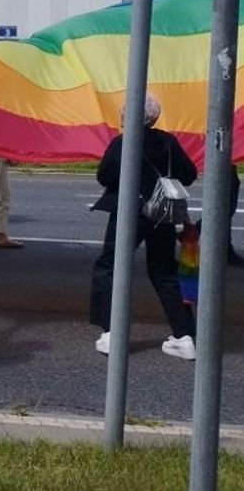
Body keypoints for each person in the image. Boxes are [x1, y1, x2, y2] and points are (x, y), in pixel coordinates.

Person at [88, 93, 198, 359]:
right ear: (154, 118)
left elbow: (104, 176)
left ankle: (112, 333)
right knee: (164, 271)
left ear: (128, 117)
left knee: (110, 267)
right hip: (162, 212)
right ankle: (184, 336)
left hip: (129, 211)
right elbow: (189, 174)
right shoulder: (168, 141)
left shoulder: (122, 143)